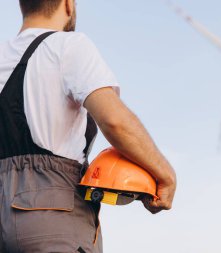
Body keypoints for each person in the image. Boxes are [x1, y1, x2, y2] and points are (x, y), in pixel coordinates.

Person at [0, 0, 177, 252]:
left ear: (23, 5)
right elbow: (115, 122)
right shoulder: (67, 46)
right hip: (47, 214)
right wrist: (165, 175)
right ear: (68, 4)